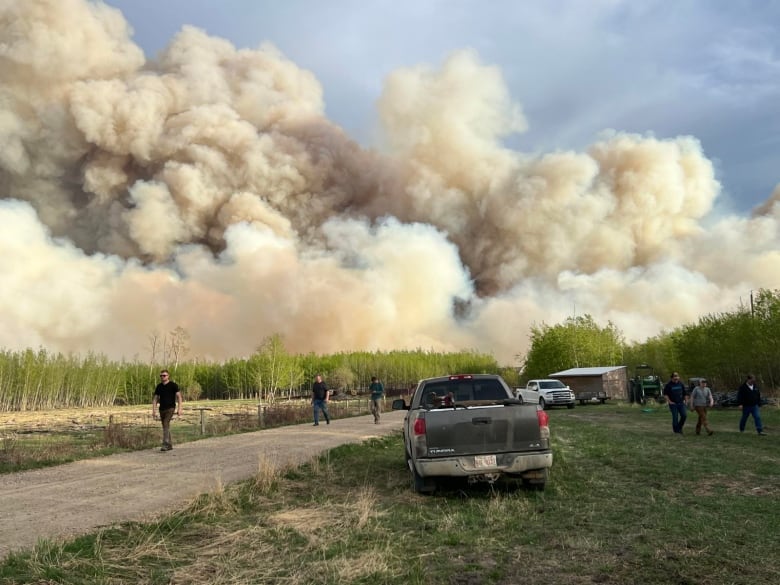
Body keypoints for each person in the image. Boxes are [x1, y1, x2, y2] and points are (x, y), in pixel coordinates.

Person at [152, 369, 183, 451]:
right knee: (165, 426)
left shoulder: (173, 385)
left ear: (168, 376)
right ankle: (169, 445)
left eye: (164, 375)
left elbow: (179, 397)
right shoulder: (159, 386)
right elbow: (155, 399)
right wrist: (154, 411)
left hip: (170, 408)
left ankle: (165, 444)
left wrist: (180, 409)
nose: (162, 377)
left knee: (166, 423)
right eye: (161, 376)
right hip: (161, 409)